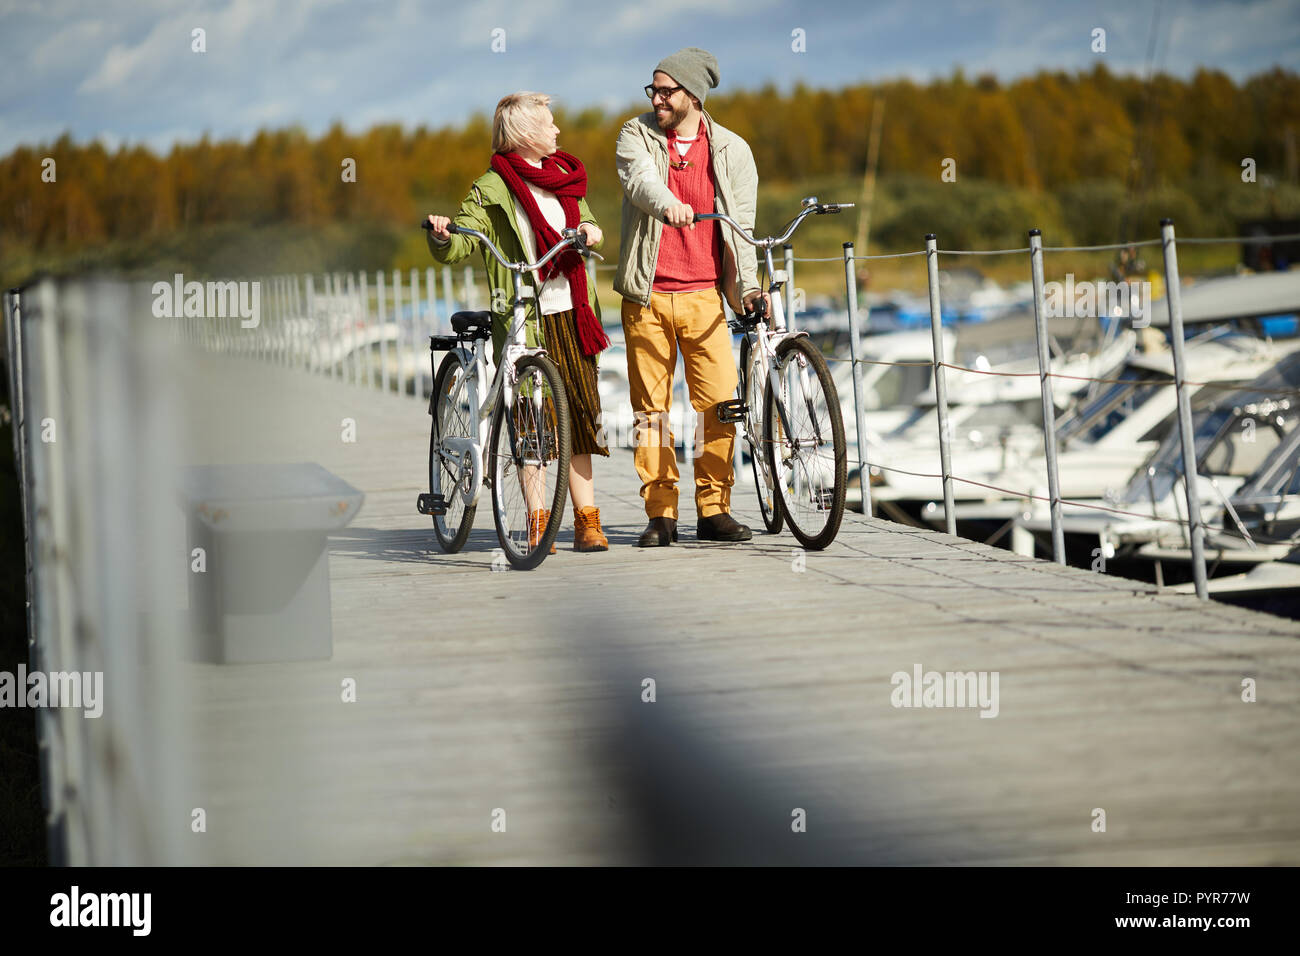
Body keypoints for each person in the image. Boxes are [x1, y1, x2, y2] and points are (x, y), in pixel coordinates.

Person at [426, 92, 610, 552]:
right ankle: (537, 520)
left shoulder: (564, 174)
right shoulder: (491, 189)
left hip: (572, 311)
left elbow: (590, 222)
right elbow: (463, 242)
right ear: (525, 133)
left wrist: (590, 231)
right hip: (525, 315)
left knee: (581, 417)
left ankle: (587, 521)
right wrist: (444, 236)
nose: (557, 129)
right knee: (532, 422)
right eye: (549, 122)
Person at [614, 47, 768, 547]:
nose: (656, 99)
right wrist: (669, 205)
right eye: (653, 90)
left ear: (693, 95)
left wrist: (748, 287)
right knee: (651, 411)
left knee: (719, 404)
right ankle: (660, 514)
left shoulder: (732, 150)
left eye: (666, 91)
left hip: (705, 297)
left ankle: (713, 509)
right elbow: (640, 182)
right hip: (647, 296)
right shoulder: (636, 134)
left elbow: (742, 229)